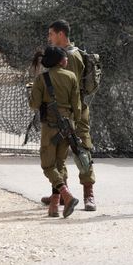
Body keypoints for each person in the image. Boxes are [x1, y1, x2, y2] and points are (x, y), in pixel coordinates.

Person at [41, 20, 98, 211]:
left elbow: (69, 88)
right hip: (64, 111)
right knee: (59, 153)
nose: (49, 38)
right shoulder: (62, 55)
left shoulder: (70, 57)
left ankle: (88, 195)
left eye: (51, 34)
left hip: (75, 111)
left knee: (82, 149)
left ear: (61, 34)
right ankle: (61, 194)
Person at [29, 46, 81, 218]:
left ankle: (66, 195)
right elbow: (77, 107)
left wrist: (31, 91)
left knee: (48, 165)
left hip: (50, 127)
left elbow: (34, 104)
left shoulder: (42, 79)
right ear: (60, 61)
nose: (67, 60)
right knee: (60, 164)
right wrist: (73, 123)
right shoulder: (72, 77)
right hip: (67, 127)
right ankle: (54, 206)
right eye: (65, 58)